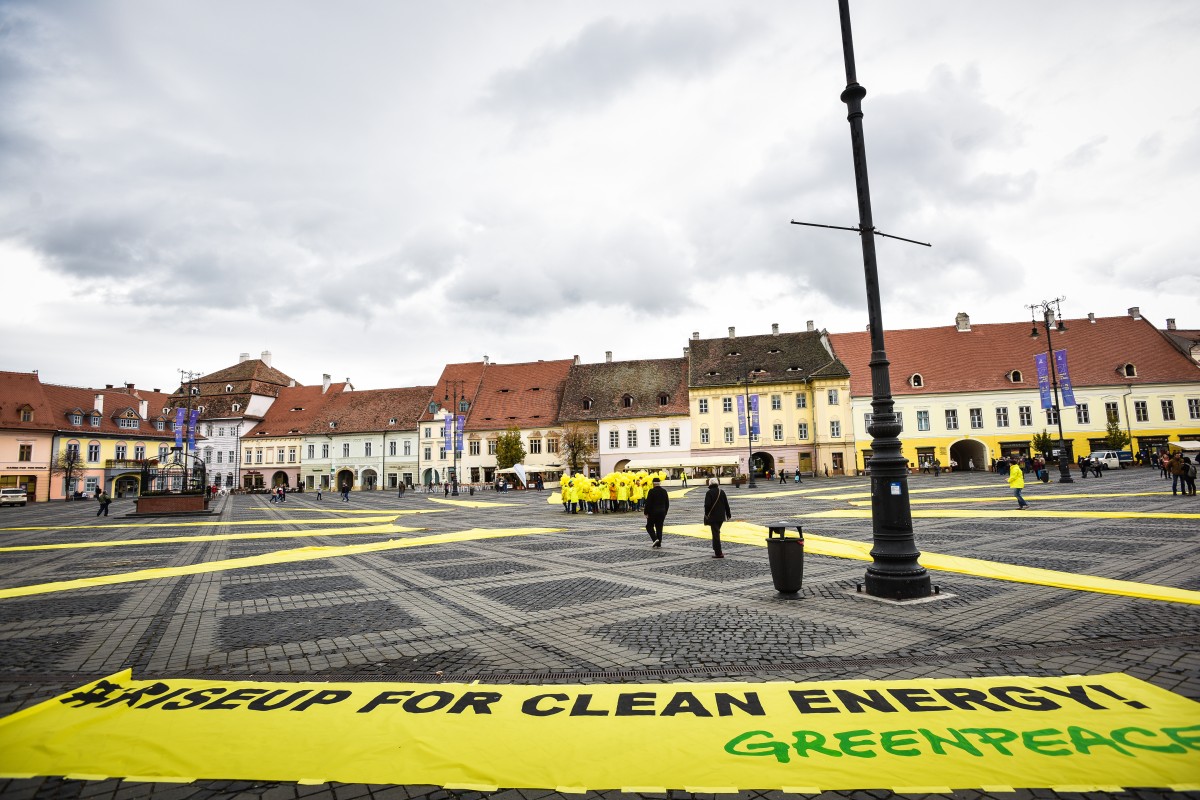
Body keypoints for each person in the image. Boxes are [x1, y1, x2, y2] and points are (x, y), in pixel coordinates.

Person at [703, 477, 732, 559]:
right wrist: (728, 514)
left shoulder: (709, 493)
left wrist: (706, 514)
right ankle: (716, 549)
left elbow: (707, 505)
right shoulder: (721, 492)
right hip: (721, 517)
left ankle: (718, 553)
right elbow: (726, 504)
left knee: (715, 534)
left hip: (713, 517)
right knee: (716, 532)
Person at [643, 477, 670, 548]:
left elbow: (648, 503)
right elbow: (667, 503)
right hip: (662, 512)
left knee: (649, 526)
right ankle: (659, 543)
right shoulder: (664, 491)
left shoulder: (651, 491)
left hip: (653, 513)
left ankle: (655, 539)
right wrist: (665, 512)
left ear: (653, 484)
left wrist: (645, 512)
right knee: (659, 527)